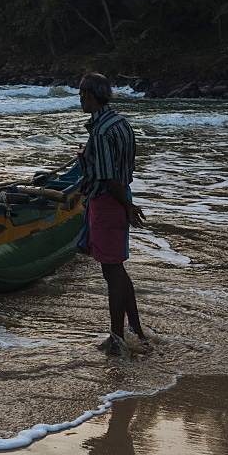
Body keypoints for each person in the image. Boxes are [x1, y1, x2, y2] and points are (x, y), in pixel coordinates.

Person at [77, 72, 148, 355]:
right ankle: (136, 331)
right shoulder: (120, 123)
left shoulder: (102, 131)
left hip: (108, 203)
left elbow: (110, 179)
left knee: (112, 271)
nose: (80, 99)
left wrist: (127, 207)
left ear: (91, 95)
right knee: (117, 269)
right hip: (120, 199)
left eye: (82, 93)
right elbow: (122, 167)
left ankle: (117, 339)